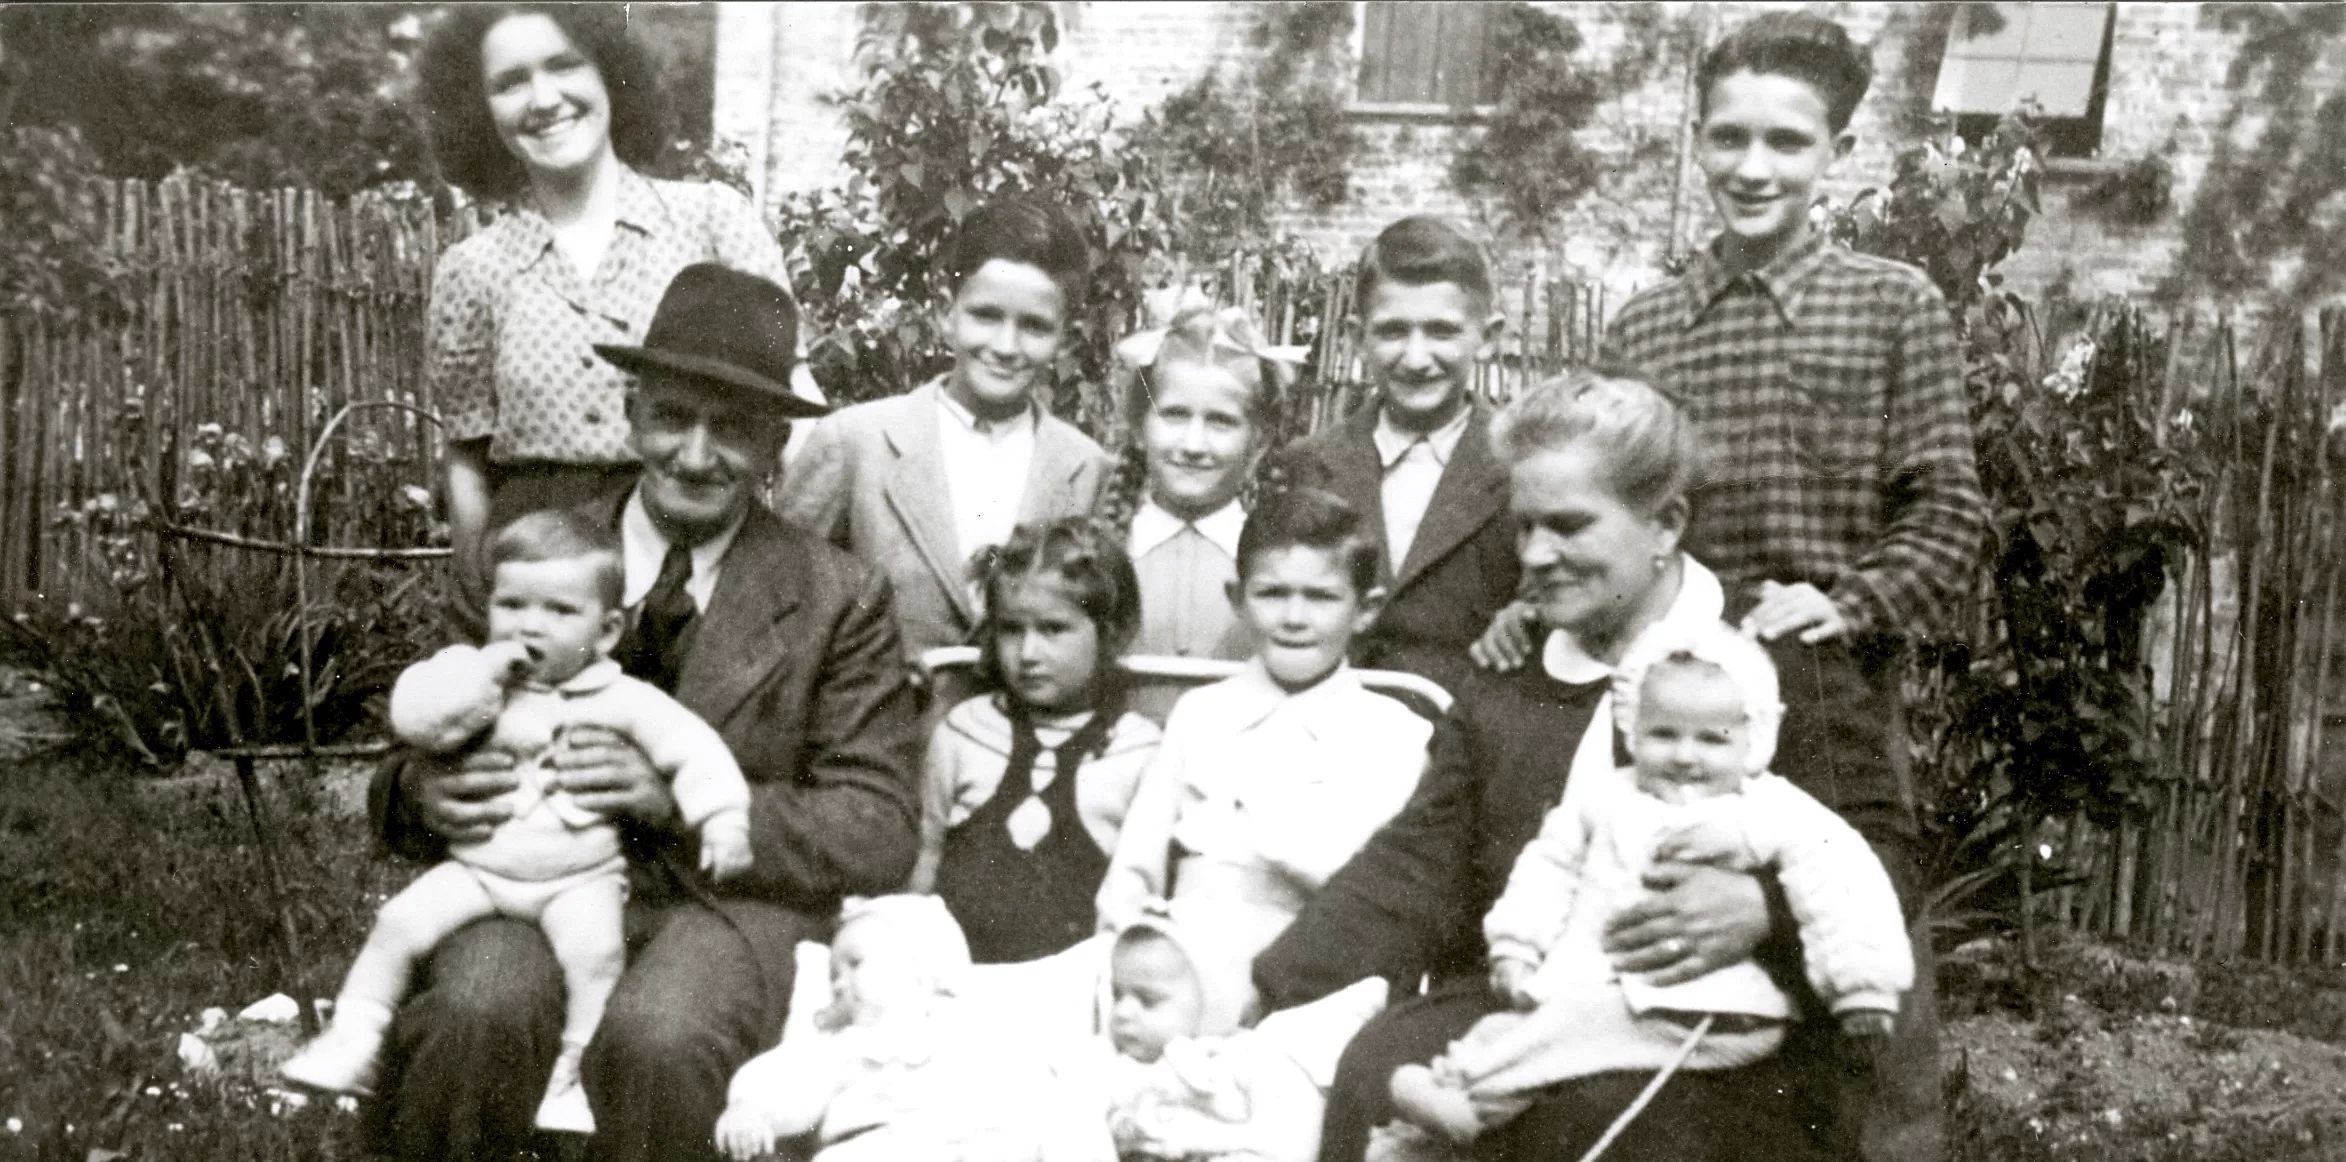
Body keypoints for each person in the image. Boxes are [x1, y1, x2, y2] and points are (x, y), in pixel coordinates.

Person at [1253, 369, 1937, 1162]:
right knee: (1379, 1068)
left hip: (1729, 1027)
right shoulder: (1508, 666)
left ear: (1665, 523)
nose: (1537, 556)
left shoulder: (1768, 655)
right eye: (1524, 528)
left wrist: (1764, 907)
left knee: (1586, 1122)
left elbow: (1883, 851)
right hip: (1539, 1000)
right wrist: (1263, 982)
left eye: (1570, 526)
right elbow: (1415, 866)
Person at [363, 263, 923, 1162]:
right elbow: (402, 760)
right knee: (475, 1009)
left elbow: (877, 824)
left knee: (661, 1036)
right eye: (672, 417)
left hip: (727, 906)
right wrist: (425, 793)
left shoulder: (836, 597)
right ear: (631, 413)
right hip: (529, 885)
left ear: (776, 443)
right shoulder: (528, 562)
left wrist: (678, 803)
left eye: (733, 428)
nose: (697, 455)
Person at [284, 511, 754, 1132]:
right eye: (511, 606)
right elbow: (417, 720)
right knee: (398, 922)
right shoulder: (482, 686)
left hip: (577, 879)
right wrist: (470, 684)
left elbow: (692, 749)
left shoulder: (623, 700)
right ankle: (355, 1037)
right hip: (481, 868)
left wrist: (719, 819)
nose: (529, 625)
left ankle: (573, 1082)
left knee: (595, 961)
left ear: (608, 630)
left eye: (559, 613)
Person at [1381, 620, 1911, 1152]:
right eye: (1664, 735)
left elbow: (1843, 880)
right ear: (1633, 730)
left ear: (1753, 739)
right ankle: (1439, 1112)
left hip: (1708, 1005)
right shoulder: (1607, 797)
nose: (1685, 756)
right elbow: (1548, 867)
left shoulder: (1766, 810)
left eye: (1712, 739)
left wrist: (1862, 986)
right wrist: (1517, 945)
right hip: (1610, 994)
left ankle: (1470, 1097)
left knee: (1566, 1030)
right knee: (1525, 1026)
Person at [1595, 15, 1985, 658]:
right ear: (1697, 142)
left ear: (1839, 150)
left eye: (1787, 143)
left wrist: (1850, 601)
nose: (1753, 170)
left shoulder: (1894, 305)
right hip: (1668, 676)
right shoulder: (1643, 327)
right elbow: (1606, 508)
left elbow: (1946, 511)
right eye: (1728, 139)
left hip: (1832, 671)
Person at [415, 5, 809, 606]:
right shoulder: (473, 269)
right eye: (510, 82)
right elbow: (468, 454)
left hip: (696, 539)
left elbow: (790, 395)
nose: (543, 99)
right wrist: (480, 590)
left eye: (563, 65)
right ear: (478, 108)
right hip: (539, 561)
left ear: (609, 74)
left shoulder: (712, 220)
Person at [1098, 486, 1431, 963]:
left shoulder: (1396, 735)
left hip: (1317, 968)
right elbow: (1134, 869)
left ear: (1366, 610)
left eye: (1321, 597)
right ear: (1237, 599)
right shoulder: (1201, 714)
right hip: (1180, 963)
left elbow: (1379, 895)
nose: (1294, 618)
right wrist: (1123, 964)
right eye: (1272, 594)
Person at [782, 197, 1114, 663]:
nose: (1005, 346)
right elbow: (780, 609)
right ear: (946, 311)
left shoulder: (1086, 467)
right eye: (986, 316)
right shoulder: (856, 443)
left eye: (1035, 327)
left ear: (1065, 336)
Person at [1276, 217, 1520, 698]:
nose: (1415, 357)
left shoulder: (1524, 466)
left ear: (1487, 338)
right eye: (1392, 332)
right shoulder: (1311, 464)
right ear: (1355, 338)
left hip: (1470, 741)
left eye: (1441, 332)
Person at [908, 518, 1164, 963]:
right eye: (1010, 629)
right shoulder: (964, 731)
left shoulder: (1139, 751)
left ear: (1113, 632)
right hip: (955, 976)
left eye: (1053, 629)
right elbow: (924, 861)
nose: (1027, 654)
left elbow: (1136, 900)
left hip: (1072, 987)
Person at [712, 895, 1065, 1162]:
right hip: (873, 1146)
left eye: (855, 964)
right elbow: (793, 1077)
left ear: (919, 967)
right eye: (834, 974)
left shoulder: (969, 1023)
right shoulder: (843, 1044)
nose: (838, 985)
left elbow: (1024, 1081)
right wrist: (750, 1108)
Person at [1080, 902, 1391, 1162]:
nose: (1121, 1013)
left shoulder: (1249, 1057)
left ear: (1211, 1004)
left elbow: (1287, 1145)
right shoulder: (1109, 1064)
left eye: (1148, 1000)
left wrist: (1201, 1139)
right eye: (1117, 995)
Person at [1099, 302, 1298, 696]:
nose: (1193, 445)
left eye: (1221, 421)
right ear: (1139, 426)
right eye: (1173, 415)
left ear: (1259, 441)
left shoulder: (1277, 557)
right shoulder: (1106, 544)